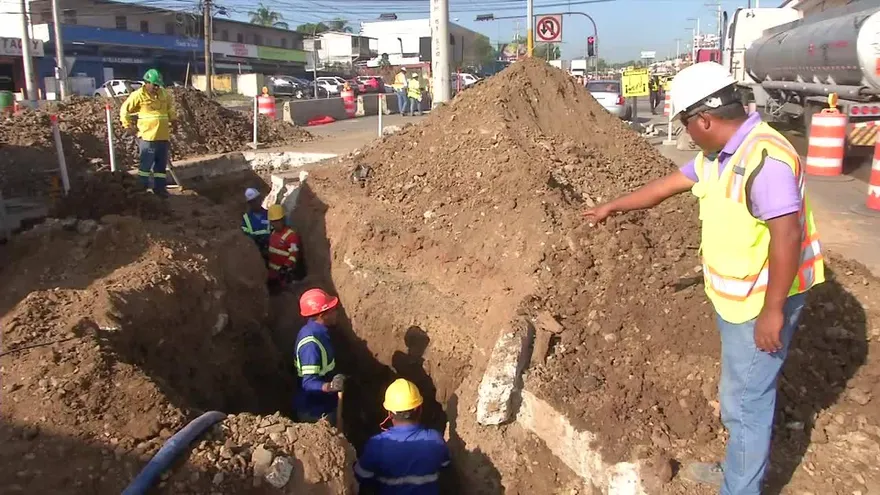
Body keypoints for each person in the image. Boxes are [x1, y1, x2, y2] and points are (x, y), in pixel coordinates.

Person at [583, 61, 824, 495]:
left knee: (745, 404)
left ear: (705, 119)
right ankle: (737, 470)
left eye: (686, 124)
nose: (686, 134)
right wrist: (612, 206)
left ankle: (739, 487)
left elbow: (787, 235)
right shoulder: (718, 155)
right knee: (739, 397)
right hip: (737, 301)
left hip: (760, 305)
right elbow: (666, 185)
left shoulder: (764, 159)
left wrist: (773, 311)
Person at [353, 379, 451, 494]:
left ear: (389, 414)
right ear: (419, 409)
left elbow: (359, 477)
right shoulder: (436, 440)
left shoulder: (376, 445)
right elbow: (445, 467)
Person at [120, 68, 176, 197]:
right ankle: (142, 188)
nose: (157, 88)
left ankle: (160, 189)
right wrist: (128, 125)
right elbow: (124, 110)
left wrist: (174, 120)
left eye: (158, 85)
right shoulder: (138, 95)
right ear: (147, 83)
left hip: (162, 136)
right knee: (145, 166)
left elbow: (170, 108)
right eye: (154, 85)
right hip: (148, 137)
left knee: (160, 167)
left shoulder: (164, 94)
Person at [295, 288, 345, 424]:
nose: (336, 313)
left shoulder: (319, 332)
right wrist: (331, 386)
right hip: (316, 412)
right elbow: (308, 382)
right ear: (323, 315)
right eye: (332, 309)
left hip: (326, 403)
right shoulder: (311, 344)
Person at [266, 204, 304, 289]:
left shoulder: (291, 236)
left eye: (278, 221)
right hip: (272, 273)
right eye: (273, 221)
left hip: (284, 276)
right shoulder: (272, 233)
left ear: (283, 220)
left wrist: (286, 267)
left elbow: (294, 255)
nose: (275, 224)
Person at [241, 188, 270, 258]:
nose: (255, 203)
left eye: (256, 200)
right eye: (252, 202)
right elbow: (246, 238)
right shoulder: (245, 219)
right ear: (249, 203)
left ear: (260, 199)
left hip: (271, 249)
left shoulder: (269, 214)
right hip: (256, 252)